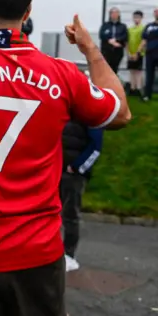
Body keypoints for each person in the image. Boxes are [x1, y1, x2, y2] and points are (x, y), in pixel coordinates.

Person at [0, 0, 131, 316]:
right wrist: (90, 50)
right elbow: (120, 113)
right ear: (28, 9)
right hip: (39, 253)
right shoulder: (61, 74)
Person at [61, 116, 103, 272]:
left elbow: (96, 147)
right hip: (56, 169)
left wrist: (78, 168)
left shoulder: (91, 114)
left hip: (73, 174)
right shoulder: (64, 108)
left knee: (70, 214)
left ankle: (69, 255)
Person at [99, 7, 128, 74]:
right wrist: (110, 41)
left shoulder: (122, 26)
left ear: (118, 14)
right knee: (106, 69)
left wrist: (116, 40)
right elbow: (101, 35)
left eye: (116, 13)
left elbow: (125, 36)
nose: (114, 14)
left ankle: (113, 83)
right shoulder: (105, 25)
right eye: (112, 13)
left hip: (118, 51)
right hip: (106, 51)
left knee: (114, 69)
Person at [139, 8, 158, 101]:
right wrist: (138, 51)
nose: (156, 13)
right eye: (155, 11)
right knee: (149, 75)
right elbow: (144, 40)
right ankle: (147, 95)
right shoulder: (149, 26)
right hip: (150, 54)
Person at [126, 10, 145, 96]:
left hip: (139, 54)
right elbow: (127, 42)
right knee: (132, 71)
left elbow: (143, 41)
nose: (136, 19)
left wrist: (137, 53)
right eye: (135, 17)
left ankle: (139, 89)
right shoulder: (130, 29)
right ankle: (132, 88)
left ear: (141, 18)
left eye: (138, 17)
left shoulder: (143, 28)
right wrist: (129, 53)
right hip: (130, 53)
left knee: (138, 71)